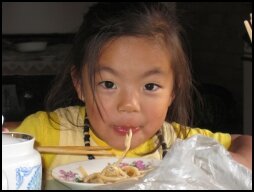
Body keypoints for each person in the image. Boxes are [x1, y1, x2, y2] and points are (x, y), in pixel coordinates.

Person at [9, 2, 251, 181]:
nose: (129, 104)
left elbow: (244, 142)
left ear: (173, 92)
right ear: (80, 84)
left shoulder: (179, 145)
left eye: (150, 86)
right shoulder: (52, 132)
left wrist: (234, 162)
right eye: (109, 84)